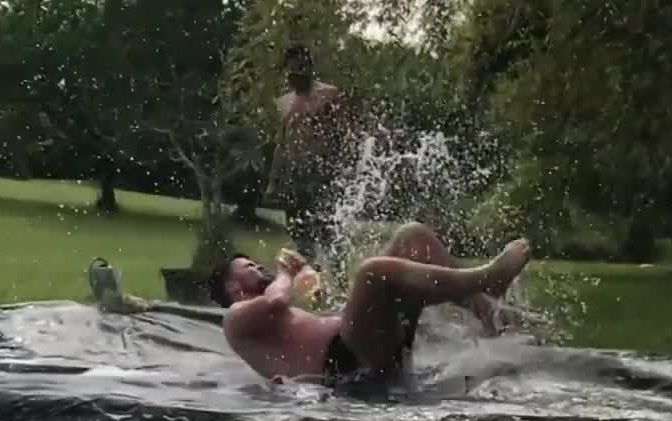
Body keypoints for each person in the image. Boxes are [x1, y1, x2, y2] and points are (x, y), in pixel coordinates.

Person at [208, 223, 532, 386]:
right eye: (248, 267)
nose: (258, 267)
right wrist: (285, 273)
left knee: (411, 236)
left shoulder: (264, 320)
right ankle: (486, 279)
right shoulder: (235, 319)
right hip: (346, 369)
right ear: (233, 286)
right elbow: (277, 300)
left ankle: (484, 309)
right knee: (371, 273)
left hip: (363, 346)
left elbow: (304, 319)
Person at [263, 45, 359, 262]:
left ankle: (341, 284)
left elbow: (346, 135)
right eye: (291, 69)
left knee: (329, 235)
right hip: (295, 178)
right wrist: (273, 181)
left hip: (324, 175)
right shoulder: (284, 103)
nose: (295, 73)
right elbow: (281, 144)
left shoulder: (329, 95)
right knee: (301, 239)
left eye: (300, 67)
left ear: (309, 68)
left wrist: (345, 172)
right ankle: (312, 286)